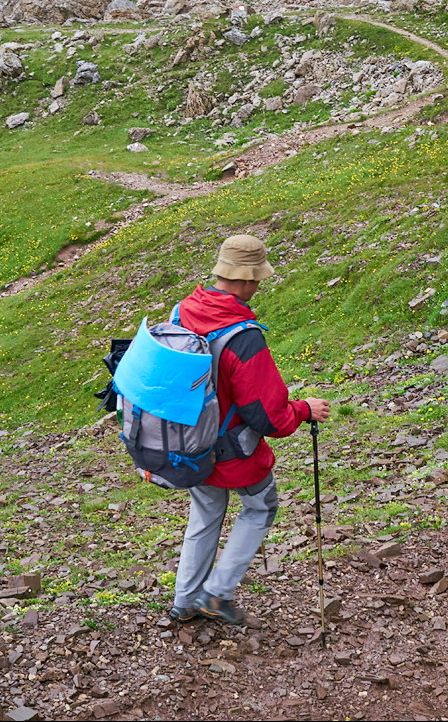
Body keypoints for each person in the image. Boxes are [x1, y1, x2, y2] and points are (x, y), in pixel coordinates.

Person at [169, 235, 330, 624]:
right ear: (244, 280)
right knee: (260, 506)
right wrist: (305, 409)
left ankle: (185, 600)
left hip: (188, 440)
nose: (259, 286)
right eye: (258, 279)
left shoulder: (183, 311)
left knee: (206, 511)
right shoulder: (243, 336)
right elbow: (268, 417)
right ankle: (217, 594)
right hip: (231, 448)